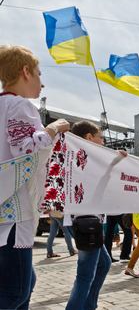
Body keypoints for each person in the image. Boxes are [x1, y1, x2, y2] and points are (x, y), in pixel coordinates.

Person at [0, 45, 70, 308]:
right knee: (14, 292)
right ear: (25, 71)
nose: (42, 82)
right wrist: (52, 129)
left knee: (25, 284)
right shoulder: (19, 105)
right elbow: (25, 150)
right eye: (39, 74)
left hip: (5, 207)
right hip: (15, 210)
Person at [66, 120, 126, 309]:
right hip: (85, 222)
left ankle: (89, 305)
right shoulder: (83, 157)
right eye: (101, 138)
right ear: (89, 137)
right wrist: (116, 159)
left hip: (86, 221)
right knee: (85, 274)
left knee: (103, 264)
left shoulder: (82, 156)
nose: (103, 142)